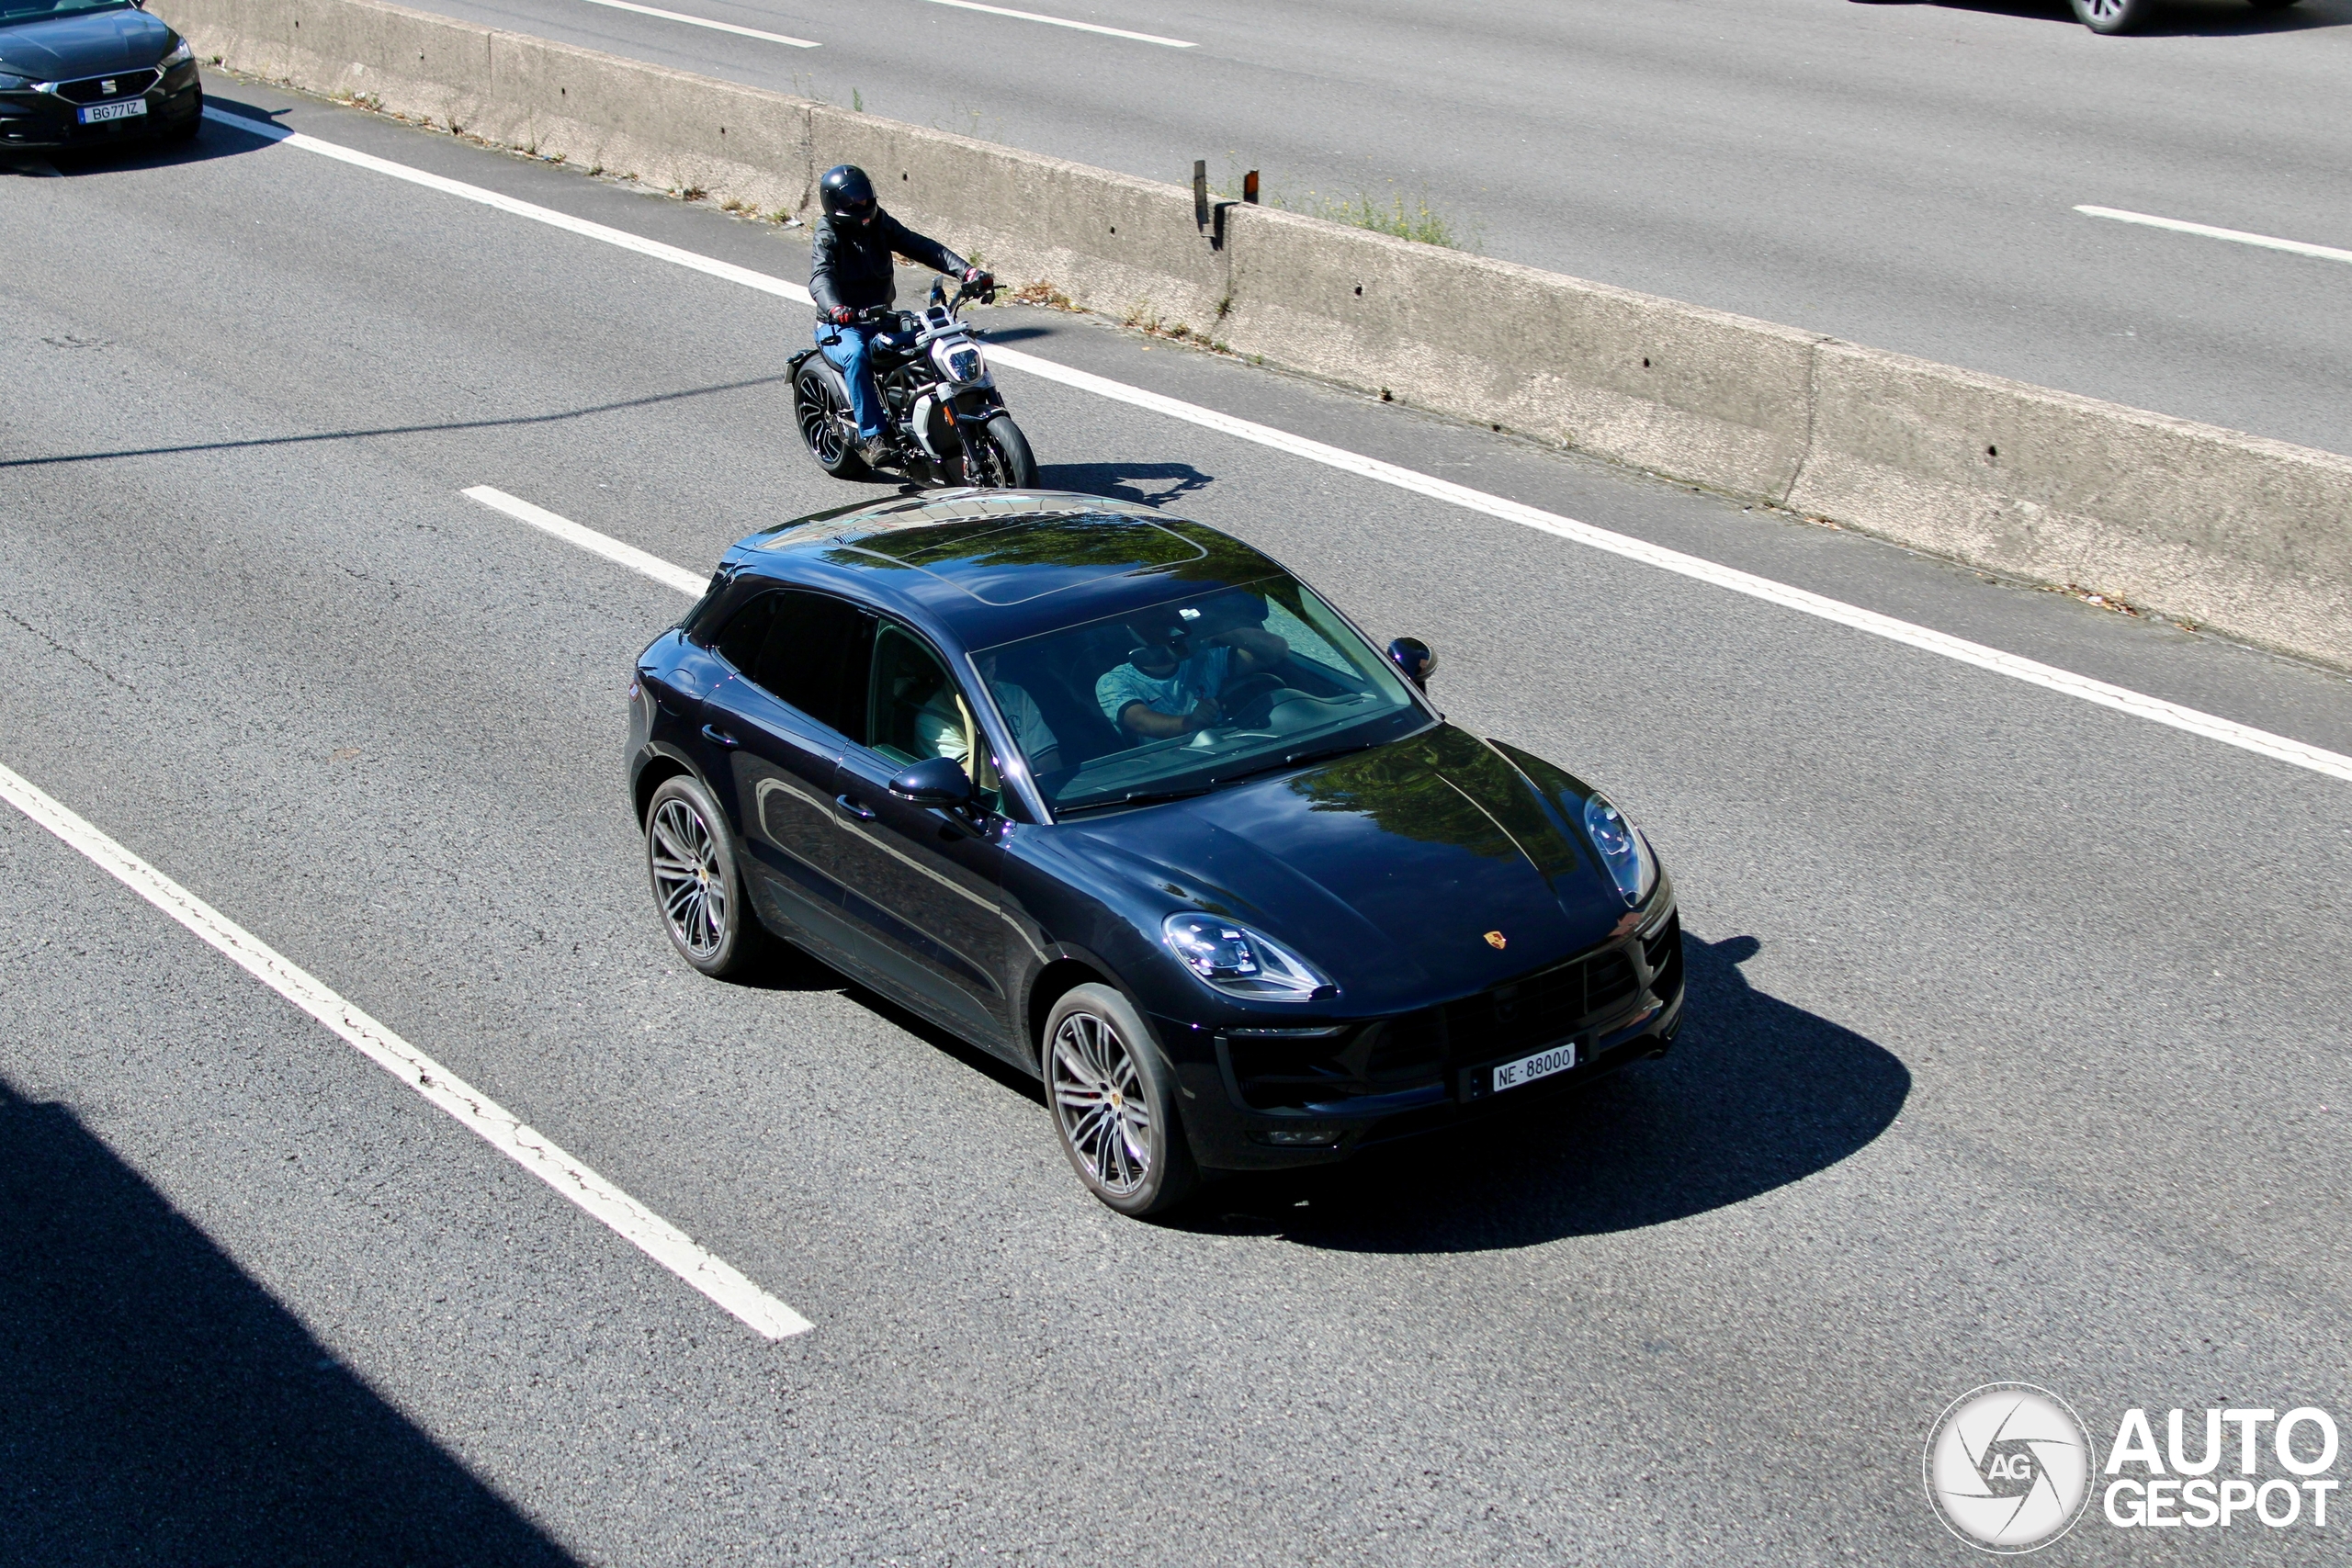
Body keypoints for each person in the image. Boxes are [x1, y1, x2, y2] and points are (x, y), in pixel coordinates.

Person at [809, 164, 993, 468]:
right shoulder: (827, 233)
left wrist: (967, 271)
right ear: (833, 204)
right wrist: (834, 307)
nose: (861, 206)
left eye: (865, 198)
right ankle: (874, 436)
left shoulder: (879, 223)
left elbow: (922, 247)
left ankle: (946, 417)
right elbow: (821, 275)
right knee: (856, 356)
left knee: (933, 337)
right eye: (852, 202)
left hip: (881, 318)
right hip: (841, 326)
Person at [1096, 604, 1288, 740]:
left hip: (1224, 751)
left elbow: (1275, 650)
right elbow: (1140, 721)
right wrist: (1191, 722)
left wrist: (1213, 629)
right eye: (1153, 622)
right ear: (1133, 632)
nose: (1166, 627)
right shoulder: (1114, 682)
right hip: (1161, 768)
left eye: (1169, 618)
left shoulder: (1205, 659)